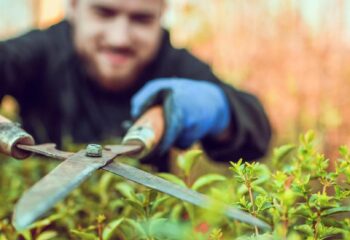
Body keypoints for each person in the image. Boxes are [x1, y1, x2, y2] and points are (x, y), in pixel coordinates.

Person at [0, 0, 271, 171]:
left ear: (162, 12)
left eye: (141, 19)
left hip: (146, 234)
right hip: (40, 239)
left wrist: (220, 110)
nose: (120, 38)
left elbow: (257, 135)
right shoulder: (42, 49)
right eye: (104, 12)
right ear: (72, 6)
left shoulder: (175, 64)